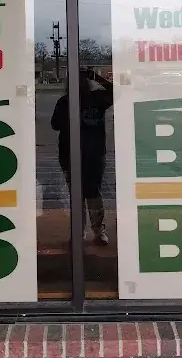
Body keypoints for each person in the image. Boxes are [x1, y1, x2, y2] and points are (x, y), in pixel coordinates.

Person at [50, 68, 114, 245]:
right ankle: (79, 233)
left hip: (94, 154)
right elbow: (54, 125)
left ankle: (98, 231)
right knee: (77, 194)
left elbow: (116, 91)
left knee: (93, 193)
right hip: (70, 154)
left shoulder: (98, 99)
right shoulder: (64, 102)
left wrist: (96, 76)